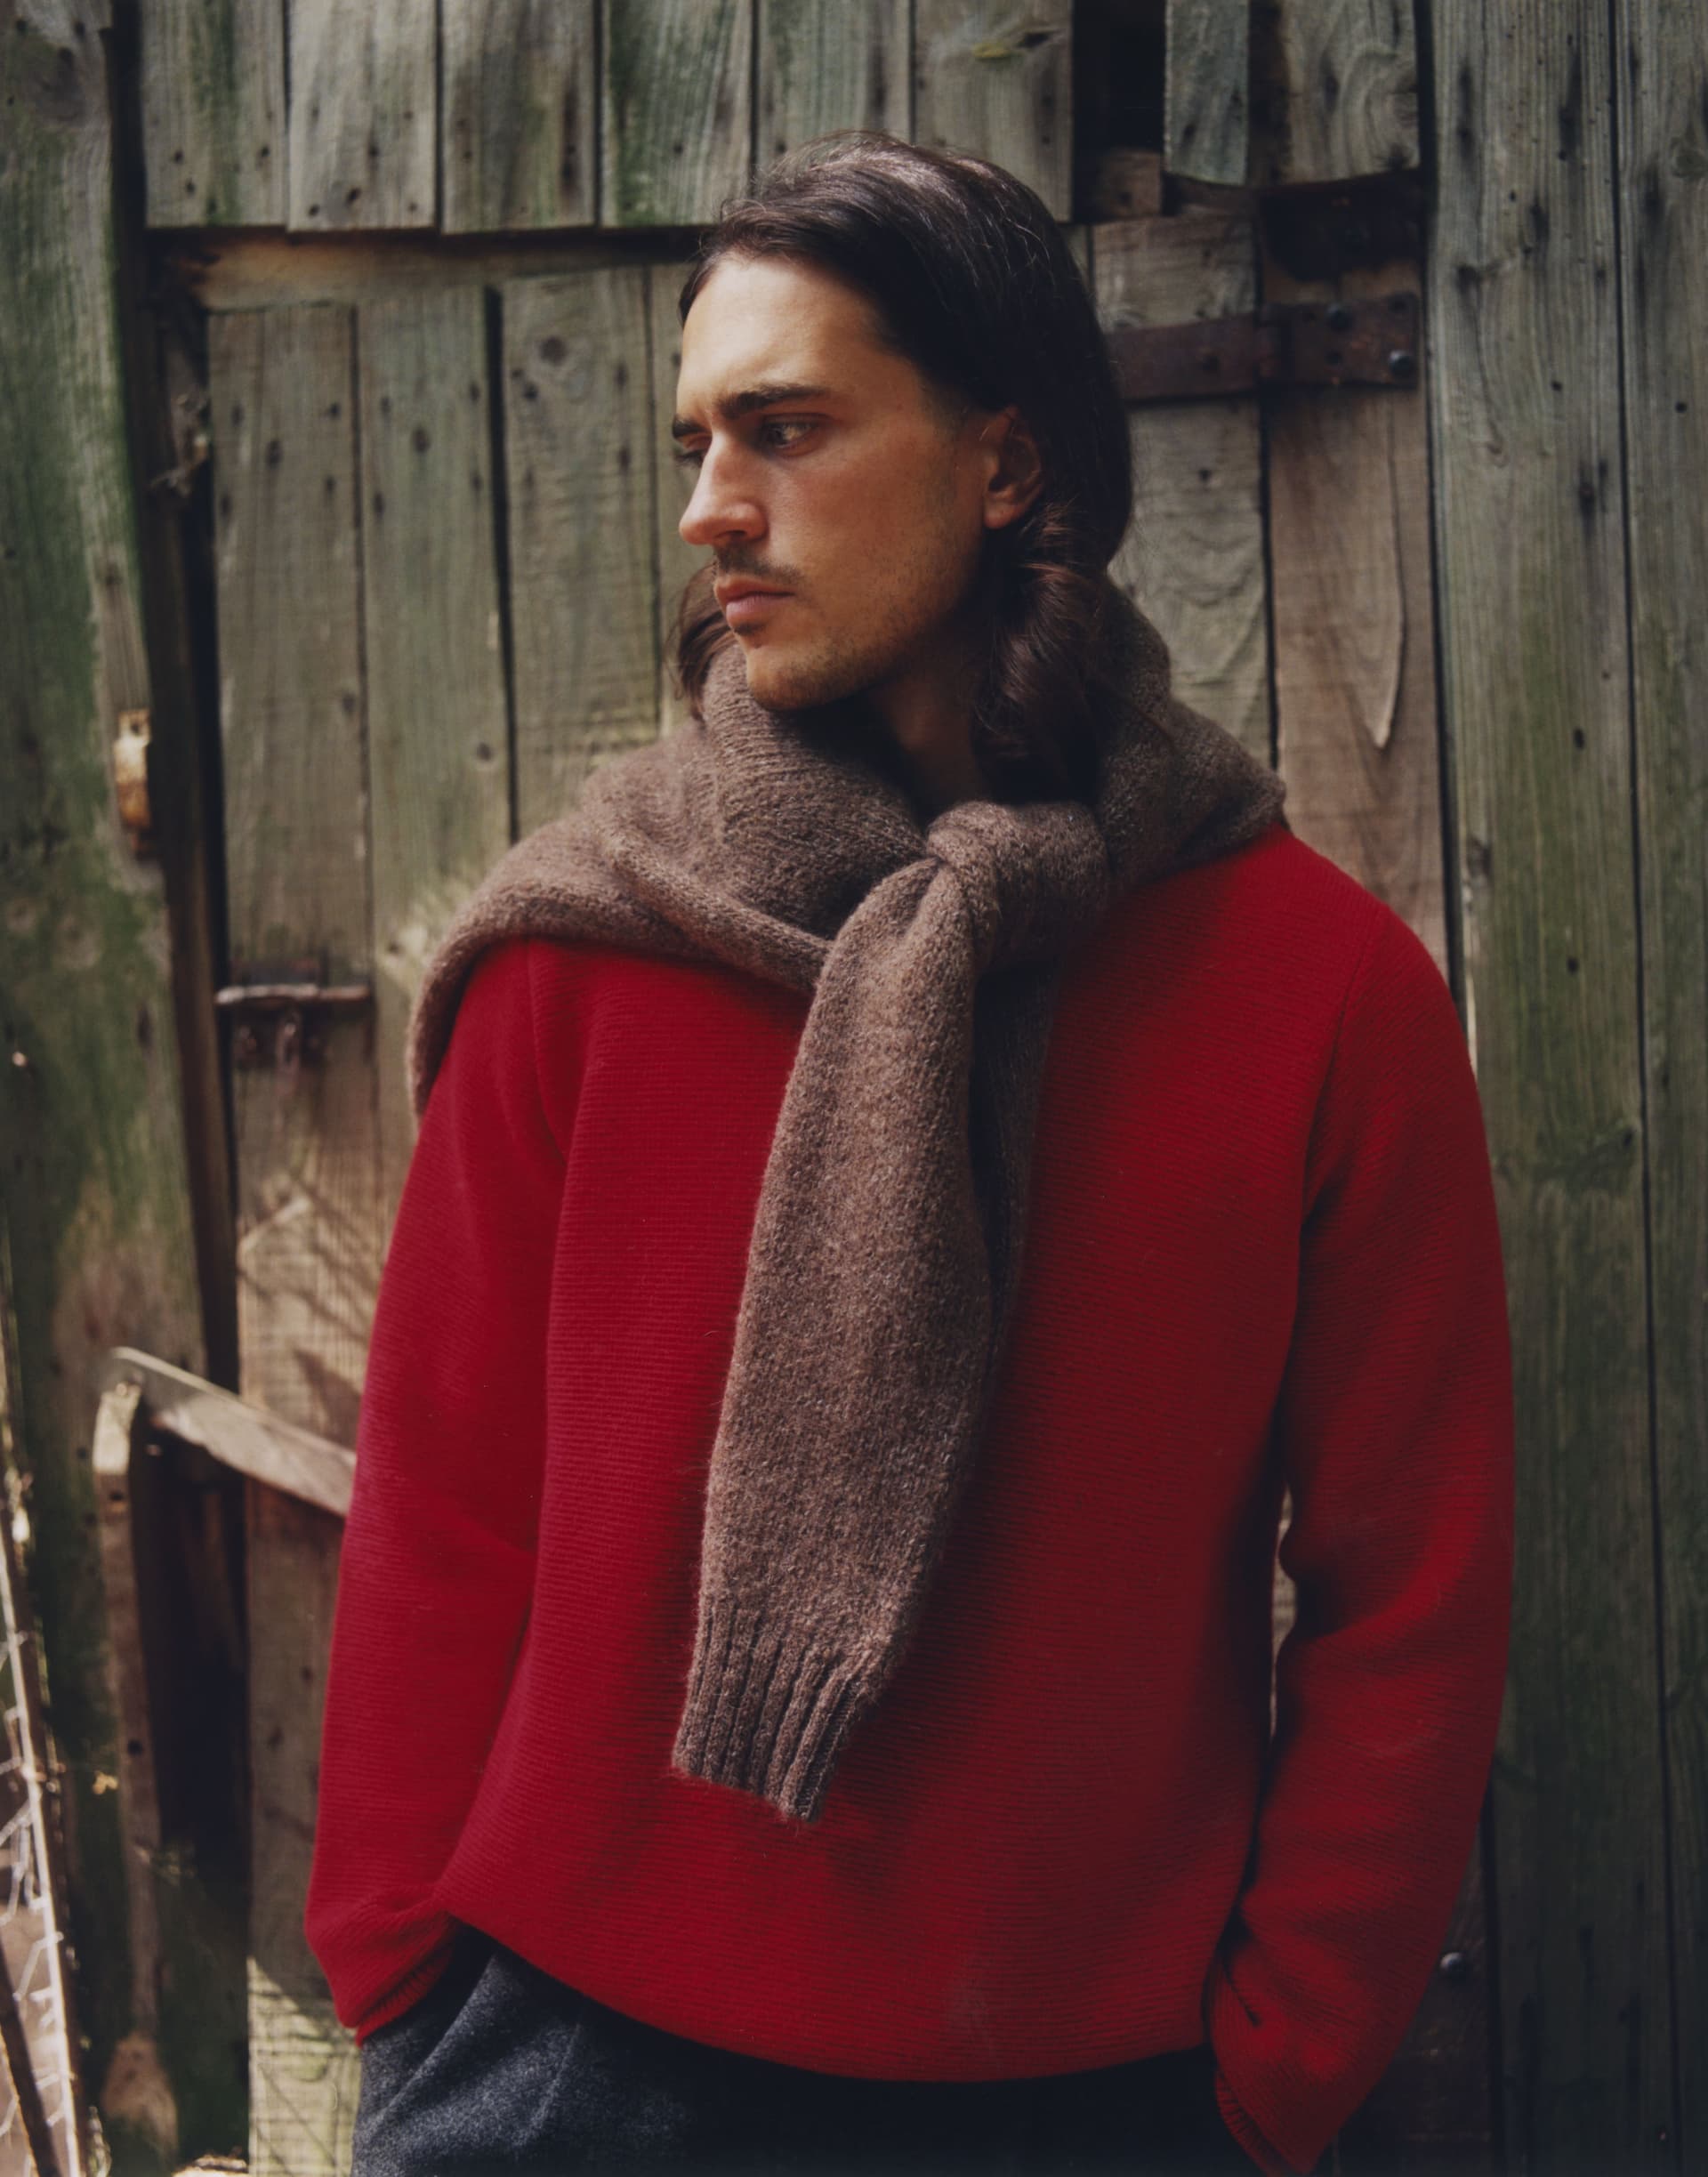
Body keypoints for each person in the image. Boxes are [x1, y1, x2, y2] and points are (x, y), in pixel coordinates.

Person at [304, 133, 1515, 2177]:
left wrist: (1276, 2068)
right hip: (566, 2066)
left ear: (1006, 464)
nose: (711, 506)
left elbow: (1414, 1582)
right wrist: (400, 1984)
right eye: (697, 440)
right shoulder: (579, 954)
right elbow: (439, 1505)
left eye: (785, 429)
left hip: (1096, 2095)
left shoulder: (1319, 996)